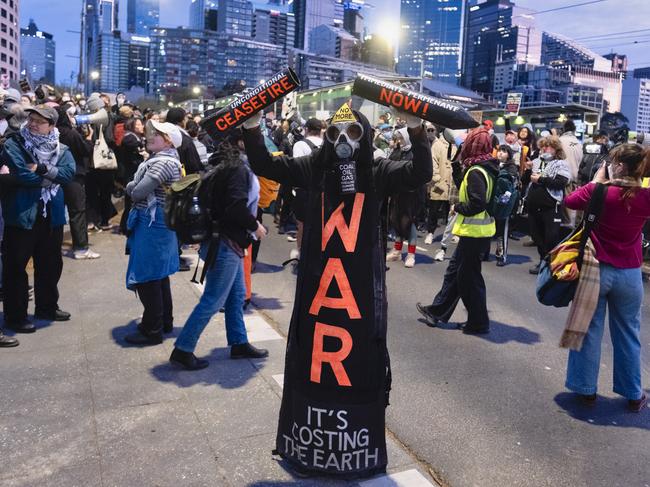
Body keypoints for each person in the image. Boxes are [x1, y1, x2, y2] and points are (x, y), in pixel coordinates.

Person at [241, 103, 432, 476]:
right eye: (336, 134)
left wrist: (417, 130)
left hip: (357, 295)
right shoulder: (314, 166)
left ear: (366, 137)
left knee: (354, 360)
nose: (344, 141)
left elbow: (420, 173)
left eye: (354, 134)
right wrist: (252, 127)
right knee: (315, 358)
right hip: (320, 290)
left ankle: (349, 446)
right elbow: (265, 165)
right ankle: (311, 447)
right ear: (327, 138)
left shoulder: (376, 171)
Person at [564, 144, 650, 413]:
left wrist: (597, 180)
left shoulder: (598, 191)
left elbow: (569, 201)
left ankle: (586, 390)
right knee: (628, 334)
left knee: (590, 331)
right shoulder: (646, 196)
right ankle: (634, 394)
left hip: (596, 270)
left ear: (619, 165)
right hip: (631, 274)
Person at [170, 137, 269, 370]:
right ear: (242, 142)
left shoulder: (222, 165)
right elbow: (235, 206)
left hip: (222, 241)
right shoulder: (236, 169)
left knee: (236, 295)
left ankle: (238, 342)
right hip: (226, 243)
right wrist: (256, 226)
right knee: (213, 299)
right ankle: (183, 348)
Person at [416, 126, 498, 334]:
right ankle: (438, 312)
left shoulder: (477, 171)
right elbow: (467, 186)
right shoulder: (482, 166)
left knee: (468, 278)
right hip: (476, 234)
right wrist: (456, 164)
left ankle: (478, 323)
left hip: (474, 233)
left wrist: (458, 207)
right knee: (457, 274)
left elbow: (477, 202)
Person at [1, 105, 75, 333]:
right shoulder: (14, 144)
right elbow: (21, 173)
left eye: (39, 121)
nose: (33, 124)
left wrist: (41, 169)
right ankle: (16, 316)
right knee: (15, 267)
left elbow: (68, 174)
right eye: (31, 119)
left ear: (51, 126)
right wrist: (50, 176)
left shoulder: (61, 149)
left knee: (50, 264)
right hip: (22, 213)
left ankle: (47, 307)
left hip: (51, 215)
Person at [123, 121, 183, 346]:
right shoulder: (168, 161)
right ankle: (163, 322)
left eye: (156, 134)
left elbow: (137, 192)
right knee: (159, 276)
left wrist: (129, 187)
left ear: (167, 140)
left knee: (148, 276)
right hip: (160, 223)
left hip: (153, 224)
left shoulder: (161, 164)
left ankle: (152, 329)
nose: (149, 136)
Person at [57, 104, 100, 259]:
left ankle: (53, 247)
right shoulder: (70, 133)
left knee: (56, 213)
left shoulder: (54, 133)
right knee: (77, 212)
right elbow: (86, 150)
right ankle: (81, 248)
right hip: (74, 176)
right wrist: (88, 138)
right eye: (69, 114)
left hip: (56, 177)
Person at [526, 136, 571, 274]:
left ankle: (552, 264)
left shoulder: (561, 164)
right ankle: (543, 261)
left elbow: (561, 183)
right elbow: (525, 180)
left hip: (551, 207)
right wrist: (528, 170)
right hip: (534, 206)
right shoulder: (535, 161)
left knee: (551, 237)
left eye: (548, 146)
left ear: (556, 149)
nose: (544, 149)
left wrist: (541, 179)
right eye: (542, 146)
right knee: (536, 235)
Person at [386, 128, 425, 267]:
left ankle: (411, 254)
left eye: (402, 138)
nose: (400, 141)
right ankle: (397, 250)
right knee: (396, 221)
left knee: (409, 222)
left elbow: (419, 173)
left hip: (412, 195)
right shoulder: (397, 151)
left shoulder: (414, 152)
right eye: (398, 139)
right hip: (398, 193)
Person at [290, 117, 323, 259]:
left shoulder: (300, 145)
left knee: (302, 224)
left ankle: (302, 254)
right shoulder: (327, 144)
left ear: (307, 130)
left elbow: (297, 169)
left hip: (305, 190)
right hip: (323, 191)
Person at [424, 124, 453, 246]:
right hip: (440, 183)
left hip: (453, 182)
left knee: (452, 210)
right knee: (434, 209)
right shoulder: (438, 145)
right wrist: (436, 177)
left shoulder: (457, 145)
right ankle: (430, 232)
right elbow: (433, 162)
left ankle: (452, 233)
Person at [118, 117, 147, 234]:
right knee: (130, 201)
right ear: (132, 126)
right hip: (130, 174)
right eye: (139, 124)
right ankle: (126, 225)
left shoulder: (134, 137)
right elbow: (136, 148)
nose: (142, 126)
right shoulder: (129, 137)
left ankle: (126, 224)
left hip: (132, 172)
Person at [493, 144, 520, 266]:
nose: (500, 153)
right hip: (493, 200)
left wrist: (504, 202)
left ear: (509, 154)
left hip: (505, 202)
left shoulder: (512, 168)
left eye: (504, 151)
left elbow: (511, 187)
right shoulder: (493, 164)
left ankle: (501, 255)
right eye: (499, 151)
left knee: (502, 230)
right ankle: (483, 253)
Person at [164, 107, 203, 175]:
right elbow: (194, 164)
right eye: (185, 118)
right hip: (184, 179)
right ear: (181, 121)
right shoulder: (184, 138)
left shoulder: (162, 134)